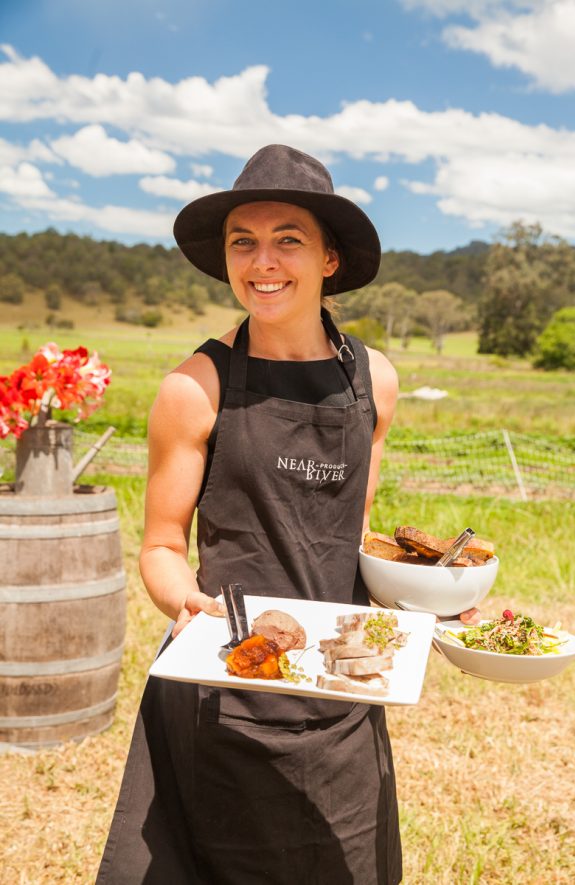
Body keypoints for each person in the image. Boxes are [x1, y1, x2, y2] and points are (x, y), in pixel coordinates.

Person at [97, 144, 478, 885]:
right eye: (244, 242)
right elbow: (160, 545)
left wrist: (435, 597)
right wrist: (187, 602)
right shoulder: (194, 386)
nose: (262, 261)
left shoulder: (377, 381)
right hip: (226, 686)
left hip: (341, 691)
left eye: (288, 240)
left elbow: (349, 536)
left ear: (330, 259)